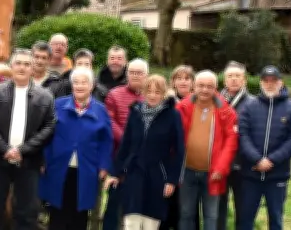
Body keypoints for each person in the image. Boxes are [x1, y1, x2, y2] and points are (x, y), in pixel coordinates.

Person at [0, 49, 56, 230]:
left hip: (29, 161)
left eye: (26, 64)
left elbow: (49, 126)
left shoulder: (45, 96)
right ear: (11, 66)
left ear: (32, 69)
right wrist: (4, 148)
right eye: (18, 63)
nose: (22, 67)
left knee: (27, 212)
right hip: (0, 159)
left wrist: (22, 150)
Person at [105, 74, 185, 230]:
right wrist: (115, 172)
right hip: (134, 173)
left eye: (157, 92)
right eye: (149, 91)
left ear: (164, 93)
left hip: (158, 176)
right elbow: (125, 144)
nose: (153, 95)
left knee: (150, 223)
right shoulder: (135, 112)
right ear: (143, 92)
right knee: (131, 221)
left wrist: (172, 180)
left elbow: (178, 150)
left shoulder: (172, 115)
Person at [39, 67, 113, 230]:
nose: (79, 86)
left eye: (84, 82)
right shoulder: (58, 105)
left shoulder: (101, 110)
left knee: (79, 213)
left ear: (92, 85)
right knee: (57, 210)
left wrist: (104, 165)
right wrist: (43, 159)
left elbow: (106, 141)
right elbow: (46, 134)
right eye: (76, 82)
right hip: (58, 165)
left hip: (86, 168)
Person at [237, 66, 291, 230]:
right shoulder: (249, 107)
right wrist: (257, 159)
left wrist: (271, 160)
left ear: (281, 83)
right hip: (250, 174)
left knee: (276, 219)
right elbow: (243, 136)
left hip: (277, 175)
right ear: (260, 83)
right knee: (245, 219)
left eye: (273, 81)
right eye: (266, 81)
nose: (269, 84)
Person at [176, 70, 239, 230]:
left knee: (211, 217)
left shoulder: (226, 111)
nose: (204, 90)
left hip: (213, 174)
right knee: (185, 214)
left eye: (209, 86)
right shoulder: (181, 107)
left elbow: (231, 143)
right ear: (194, 86)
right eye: (201, 85)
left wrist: (221, 168)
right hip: (187, 172)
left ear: (216, 88)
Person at [103, 58, 146, 230]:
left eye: (139, 73)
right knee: (114, 204)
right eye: (132, 72)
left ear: (146, 75)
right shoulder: (114, 94)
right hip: (119, 158)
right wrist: (130, 141)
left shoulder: (151, 96)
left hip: (143, 161)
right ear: (126, 74)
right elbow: (109, 122)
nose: (135, 76)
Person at [217, 61, 254, 230]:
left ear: (244, 80)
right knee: (218, 208)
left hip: (243, 164)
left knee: (243, 208)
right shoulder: (214, 101)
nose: (233, 79)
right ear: (224, 80)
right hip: (220, 164)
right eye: (230, 76)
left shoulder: (253, 103)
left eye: (237, 76)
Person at [161, 65, 197, 230]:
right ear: (173, 82)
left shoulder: (200, 102)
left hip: (192, 162)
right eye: (179, 78)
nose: (183, 82)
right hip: (169, 161)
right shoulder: (165, 102)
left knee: (189, 209)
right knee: (167, 207)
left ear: (192, 82)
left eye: (187, 78)